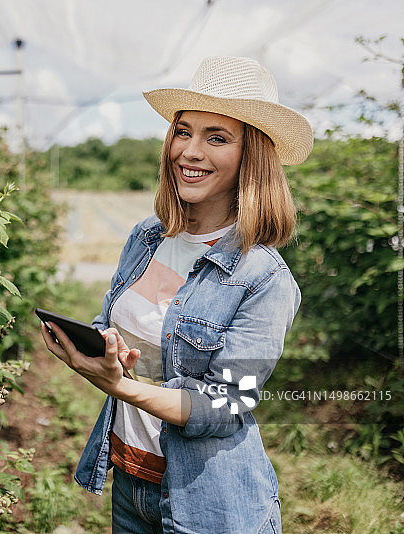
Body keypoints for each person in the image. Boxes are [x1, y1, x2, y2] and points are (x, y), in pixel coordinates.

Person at [40, 55, 313, 533]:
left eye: (217, 138)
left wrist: (122, 387)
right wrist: (101, 350)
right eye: (183, 132)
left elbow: (226, 405)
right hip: (130, 481)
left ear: (252, 157)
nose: (190, 151)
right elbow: (112, 324)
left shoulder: (262, 276)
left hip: (209, 501)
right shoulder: (147, 237)